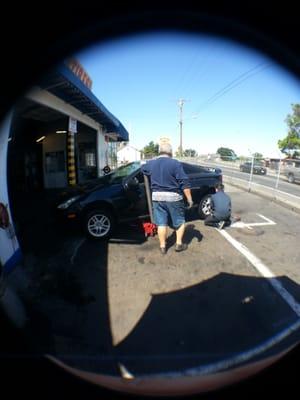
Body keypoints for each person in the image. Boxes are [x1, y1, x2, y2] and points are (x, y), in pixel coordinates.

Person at [141, 142, 193, 254]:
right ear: (171, 152)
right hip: (173, 198)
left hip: (157, 197)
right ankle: (179, 244)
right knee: (179, 222)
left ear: (159, 151)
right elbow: (184, 182)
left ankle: (163, 246)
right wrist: (189, 199)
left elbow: (143, 169)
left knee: (161, 223)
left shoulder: (151, 163)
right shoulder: (175, 164)